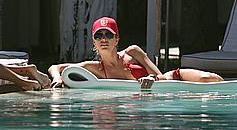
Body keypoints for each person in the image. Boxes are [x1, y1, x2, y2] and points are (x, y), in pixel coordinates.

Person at [49, 16, 224, 88]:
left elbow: (161, 77)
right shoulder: (94, 68)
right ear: (94, 41)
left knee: (209, 79)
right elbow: (55, 67)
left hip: (171, 80)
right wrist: (57, 78)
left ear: (116, 39)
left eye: (108, 35)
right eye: (99, 36)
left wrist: (151, 79)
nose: (103, 39)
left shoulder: (132, 52)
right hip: (140, 101)